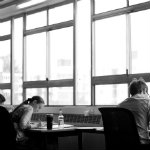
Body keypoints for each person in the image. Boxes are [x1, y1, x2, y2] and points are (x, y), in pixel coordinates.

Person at [118, 77, 150, 143]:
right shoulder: (147, 102)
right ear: (144, 90)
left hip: (123, 143)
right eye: (147, 92)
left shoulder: (120, 105)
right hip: (141, 142)